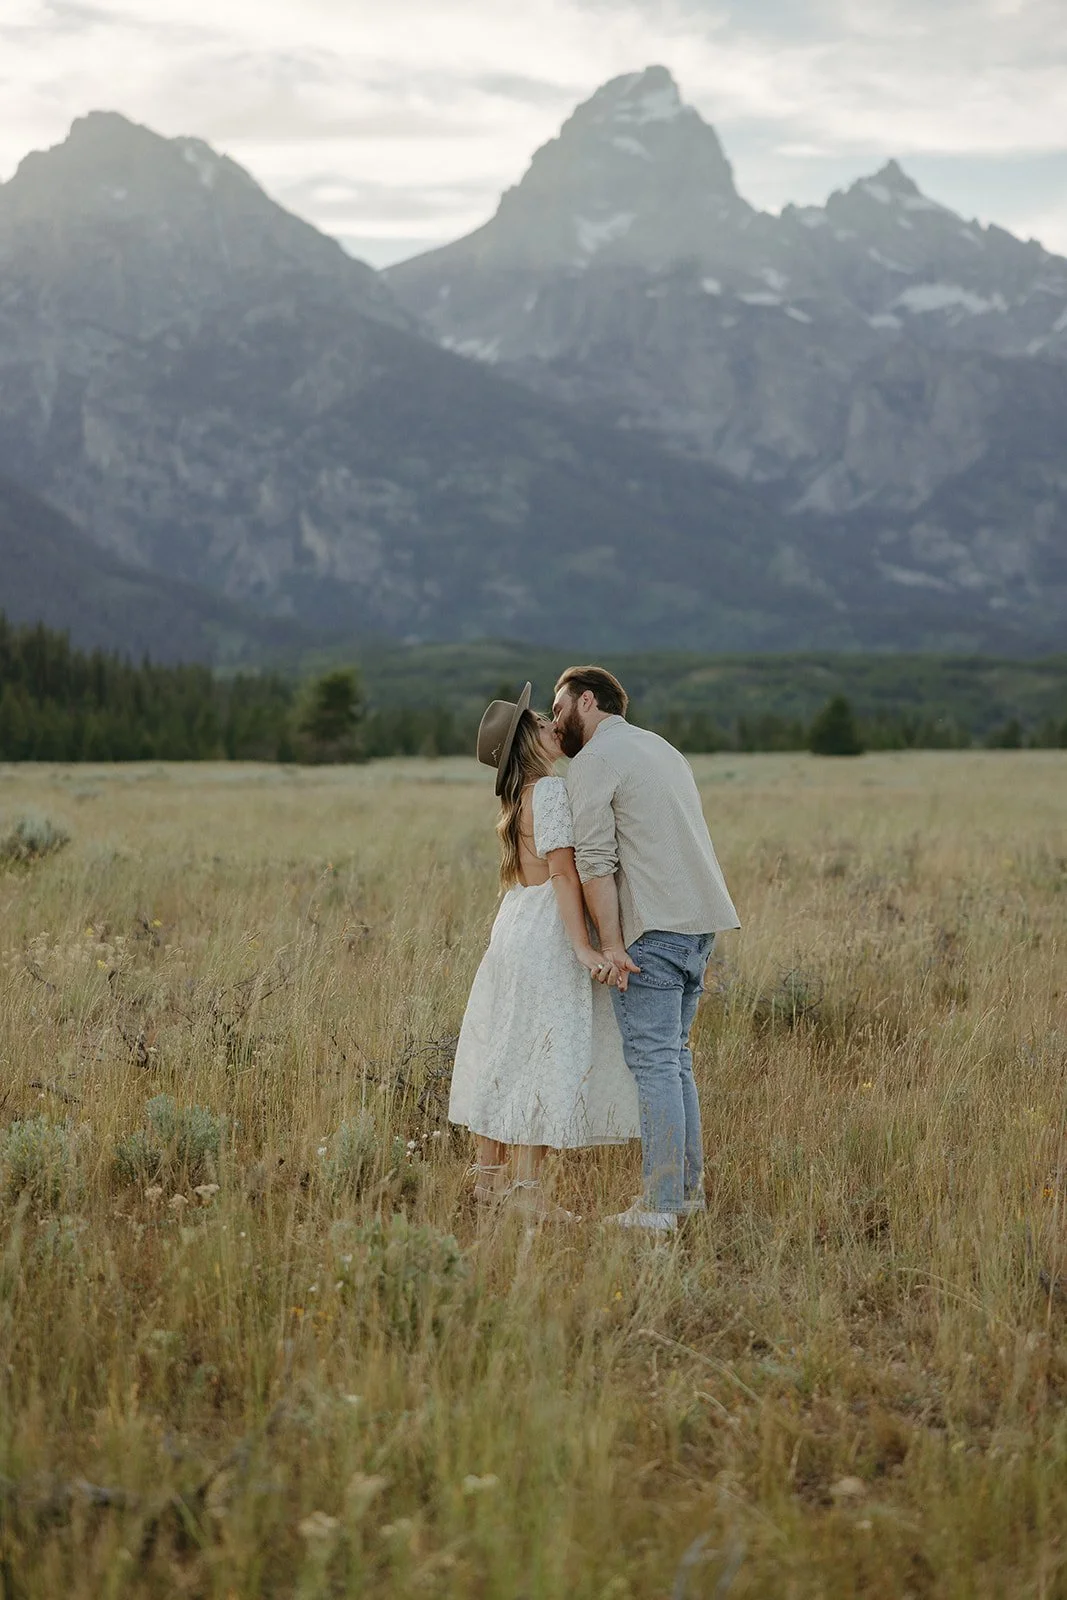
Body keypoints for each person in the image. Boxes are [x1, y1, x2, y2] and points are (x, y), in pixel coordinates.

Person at [552, 665, 740, 1234]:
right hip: (698, 923)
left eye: (559, 709)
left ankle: (661, 1206)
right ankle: (686, 1194)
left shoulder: (594, 763)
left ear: (588, 701)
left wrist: (609, 944)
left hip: (651, 930)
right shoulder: (661, 748)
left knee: (657, 1063)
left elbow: (594, 861)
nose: (555, 723)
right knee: (676, 1060)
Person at [448, 683, 639, 1220]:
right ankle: (527, 1191)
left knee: (508, 1048)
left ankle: (489, 1182)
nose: (551, 725)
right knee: (541, 1049)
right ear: (526, 746)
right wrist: (585, 945)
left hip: (513, 924)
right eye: (538, 723)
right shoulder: (550, 792)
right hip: (544, 932)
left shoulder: (519, 799)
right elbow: (562, 872)